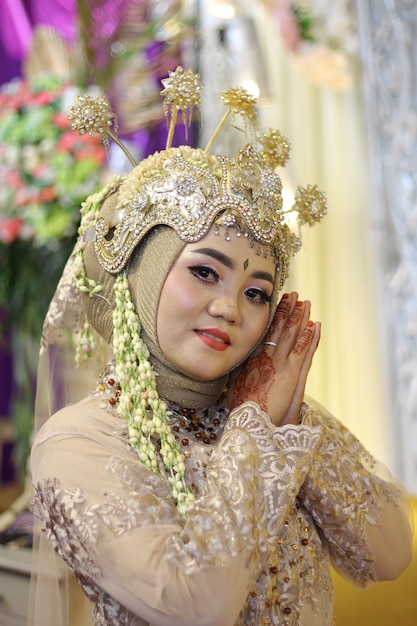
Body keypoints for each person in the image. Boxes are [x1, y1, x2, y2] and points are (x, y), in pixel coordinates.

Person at [29, 68, 413, 626]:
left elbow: (392, 554)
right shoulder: (80, 442)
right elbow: (198, 604)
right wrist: (255, 428)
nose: (231, 308)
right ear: (144, 272)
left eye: (256, 291)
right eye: (205, 272)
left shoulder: (272, 413)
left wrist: (289, 421)